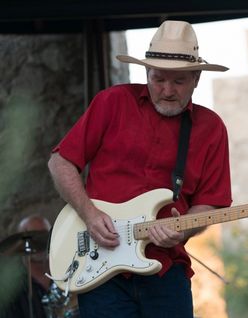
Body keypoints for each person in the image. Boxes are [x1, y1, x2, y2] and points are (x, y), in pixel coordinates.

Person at [48, 20, 232, 318]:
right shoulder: (113, 102)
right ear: (146, 72)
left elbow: (209, 202)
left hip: (166, 269)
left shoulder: (210, 129)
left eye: (179, 82)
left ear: (196, 78)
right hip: (100, 267)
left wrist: (183, 226)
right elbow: (60, 161)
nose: (167, 90)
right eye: (158, 79)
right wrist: (90, 215)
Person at [2, 215, 51, 318]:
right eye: (31, 237)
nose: (39, 243)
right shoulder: (12, 288)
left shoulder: (65, 274)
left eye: (43, 236)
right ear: (19, 243)